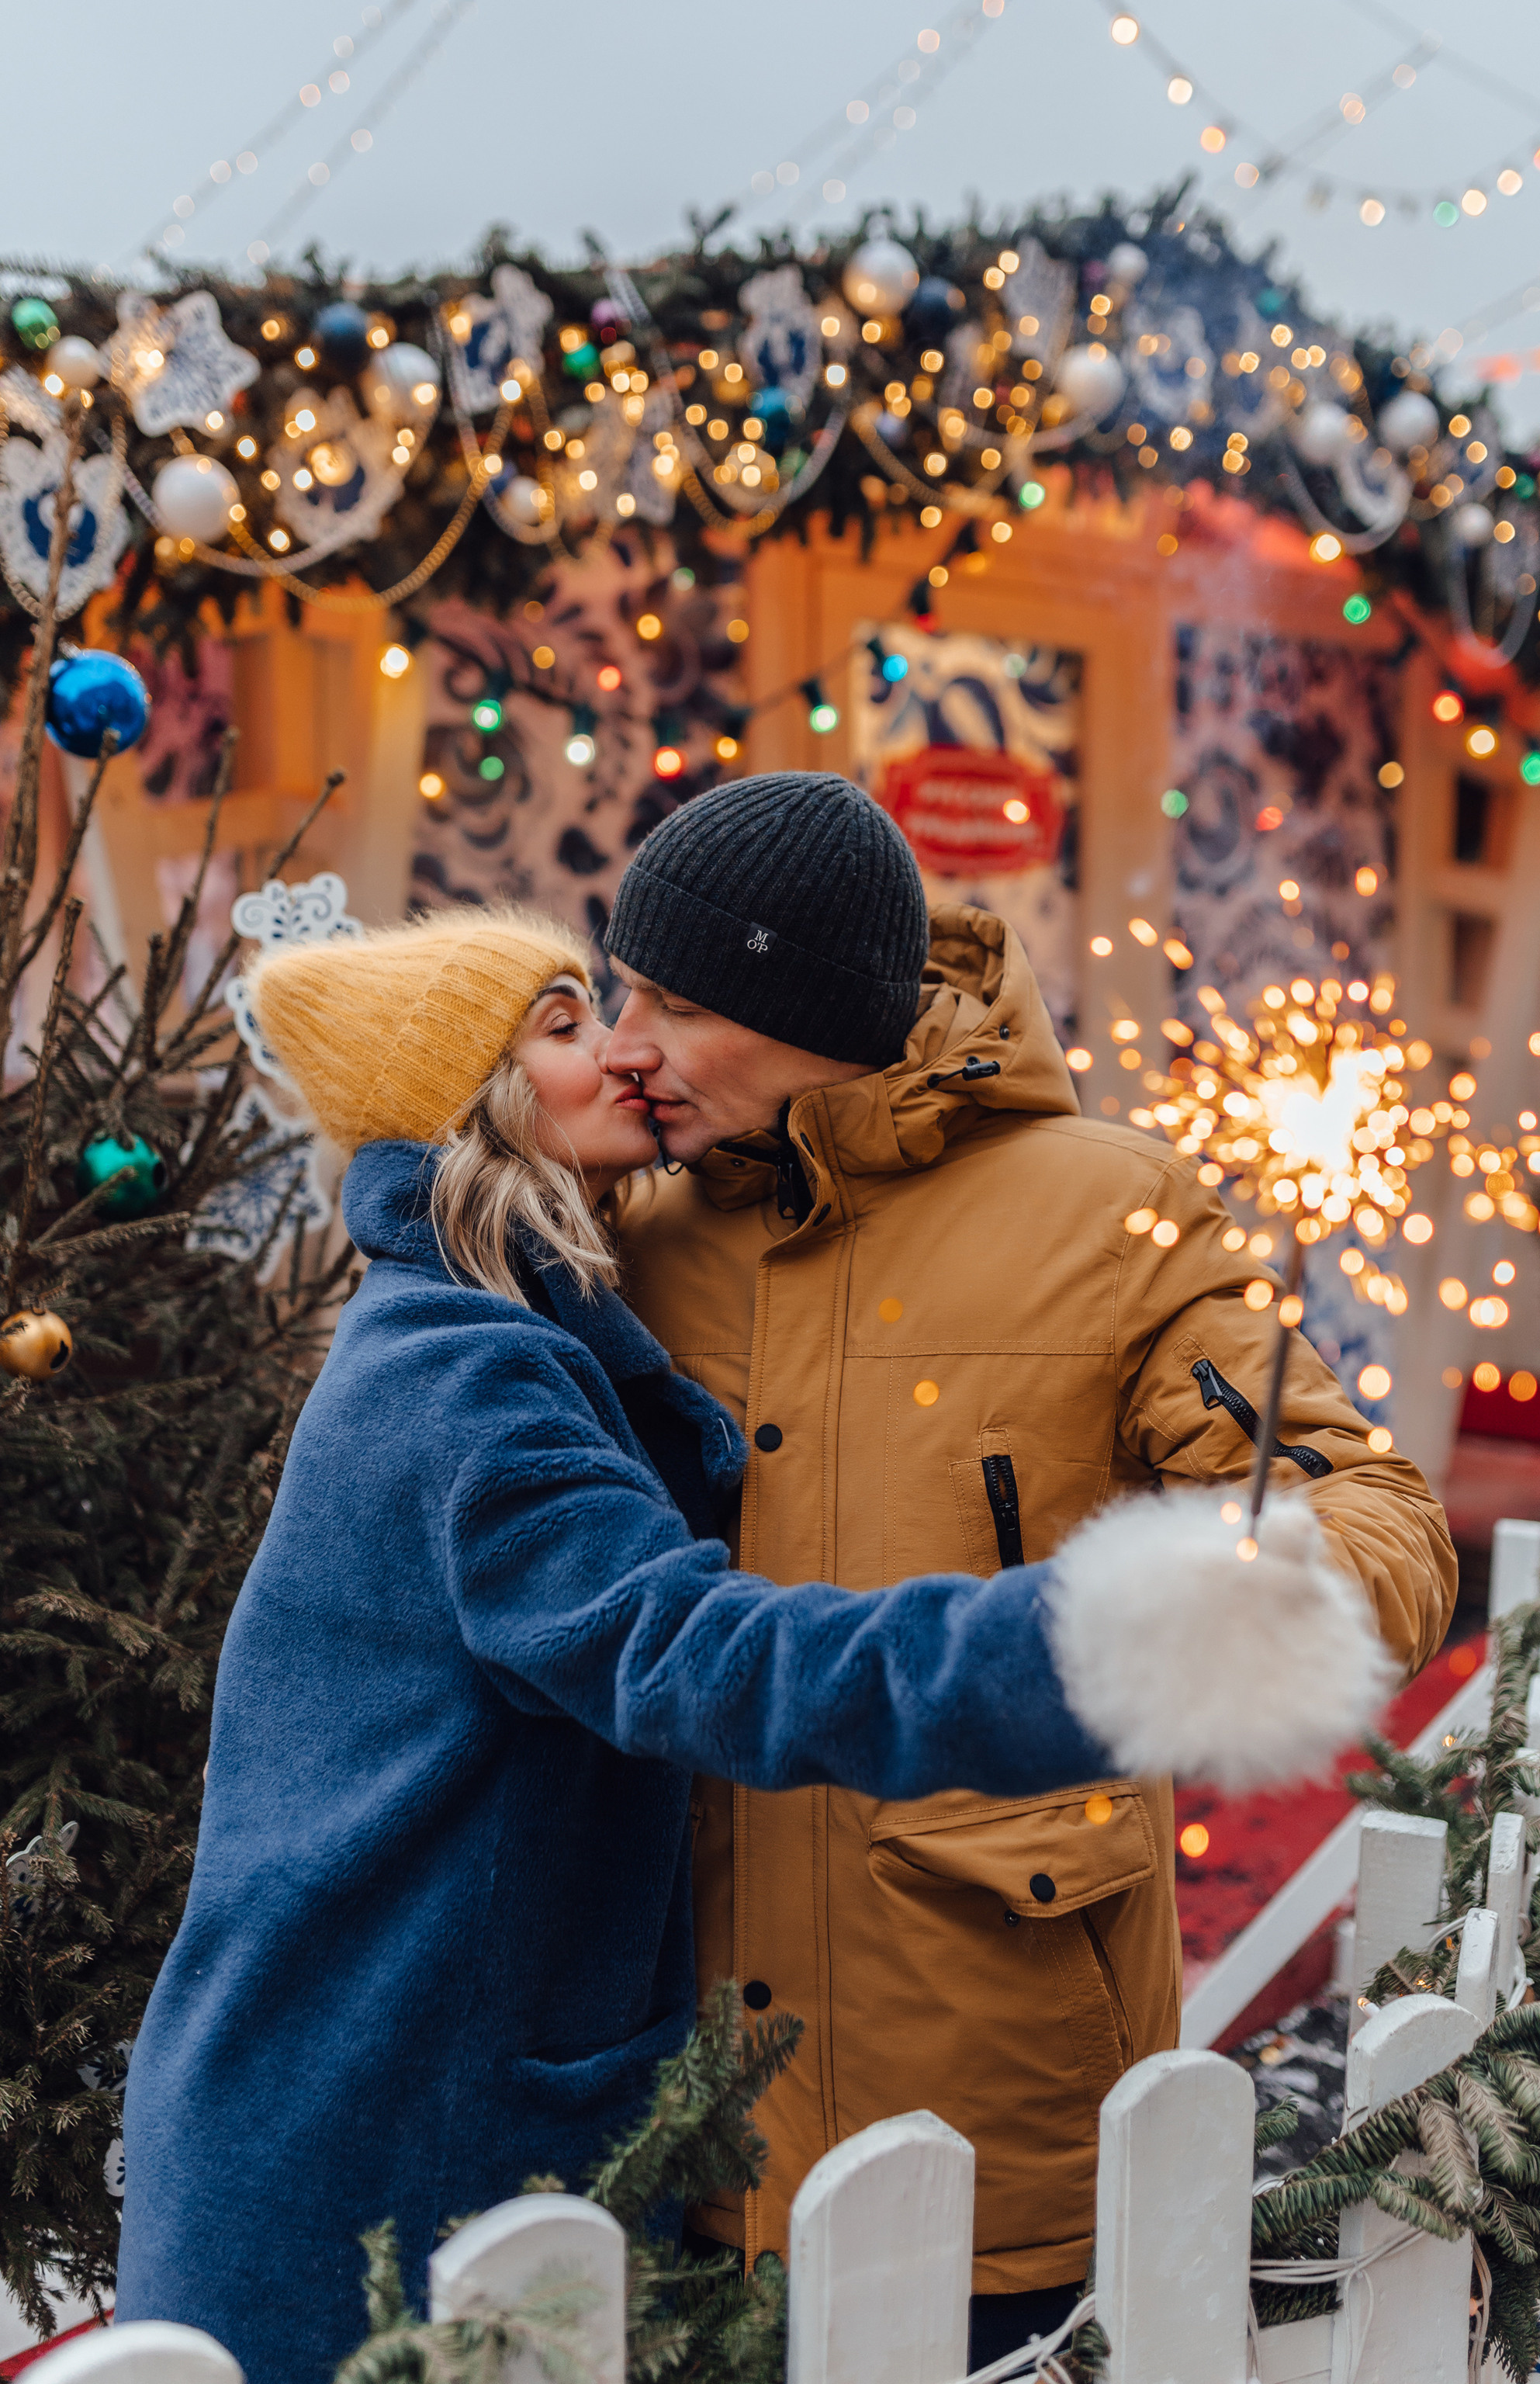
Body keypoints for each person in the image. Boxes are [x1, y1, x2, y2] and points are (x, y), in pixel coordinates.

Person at [112, 907, 1386, 2384]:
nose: (627, 1052)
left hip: (387, 2071)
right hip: (378, 2111)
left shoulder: (536, 1311)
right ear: (478, 1095)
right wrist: (1090, 1641)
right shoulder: (466, 1371)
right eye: (571, 1021)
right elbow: (692, 1651)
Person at [604, 771, 1459, 2368]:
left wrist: (1261, 1594)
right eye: (617, 988)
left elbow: (1364, 1503)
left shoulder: (1110, 1210)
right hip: (667, 2069)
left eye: (672, 1000)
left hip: (989, 2065)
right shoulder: (628, 1233)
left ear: (799, 1006)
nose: (625, 1037)